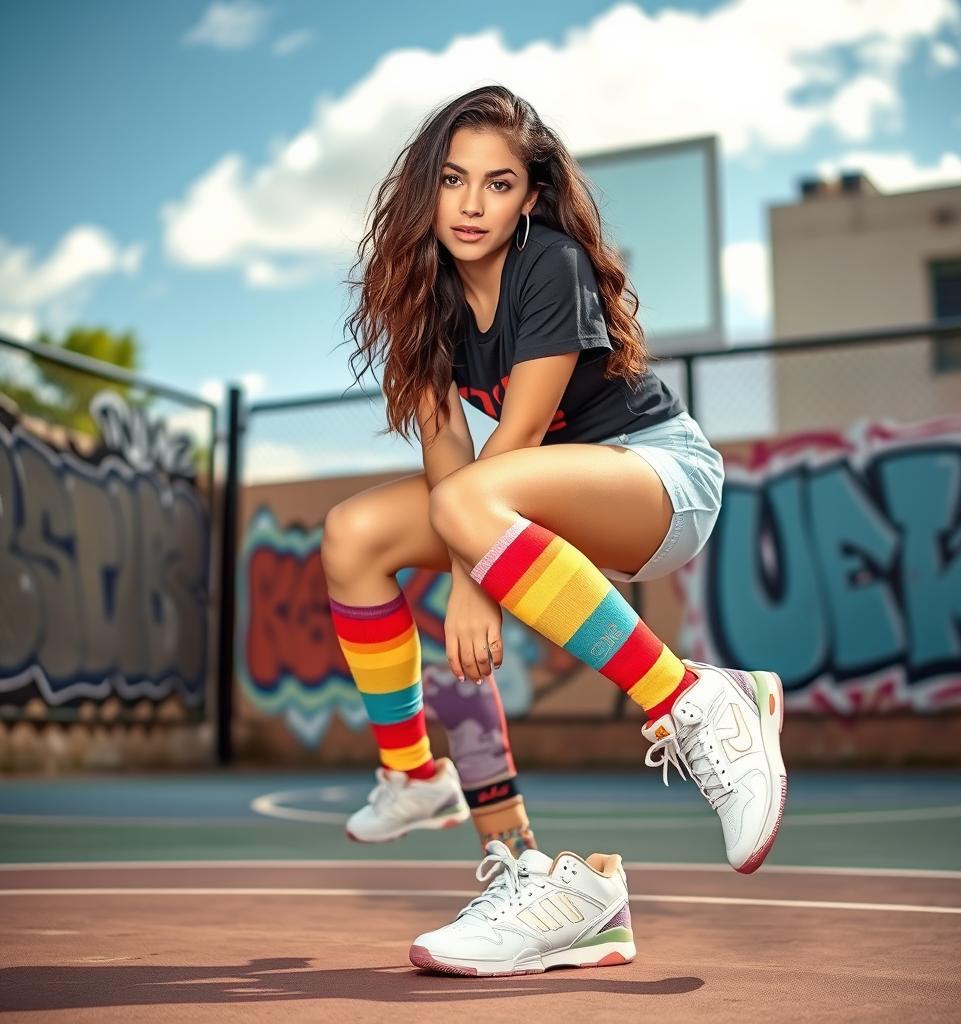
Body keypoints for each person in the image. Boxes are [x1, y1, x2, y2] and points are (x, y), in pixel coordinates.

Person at [321, 84, 787, 975]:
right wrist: (474, 567)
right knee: (352, 537)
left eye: (497, 184)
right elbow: (448, 444)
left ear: (529, 198)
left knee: (467, 512)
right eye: (453, 179)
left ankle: (695, 700)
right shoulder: (424, 294)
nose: (470, 203)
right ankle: (463, 815)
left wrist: (472, 585)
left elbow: (518, 438)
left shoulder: (551, 264)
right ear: (427, 188)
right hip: (522, 500)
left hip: (657, 481)